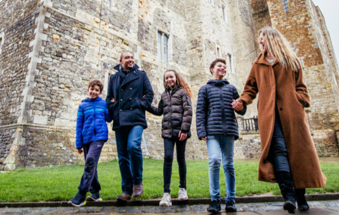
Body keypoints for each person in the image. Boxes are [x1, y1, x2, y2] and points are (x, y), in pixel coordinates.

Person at [233, 26, 327, 214]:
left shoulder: (291, 61)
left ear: (273, 38)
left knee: (296, 154)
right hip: (269, 116)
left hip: (292, 115)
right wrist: (242, 101)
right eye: (259, 38)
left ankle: (301, 197)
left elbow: (302, 88)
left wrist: (298, 99)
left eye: (263, 38)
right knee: (278, 151)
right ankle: (289, 197)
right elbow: (250, 89)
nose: (260, 41)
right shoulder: (257, 64)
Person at [196, 58, 247, 213]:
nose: (223, 69)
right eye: (220, 66)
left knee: (229, 165)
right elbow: (200, 111)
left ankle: (231, 200)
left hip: (229, 131)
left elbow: (242, 110)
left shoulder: (231, 88)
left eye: (225, 67)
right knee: (214, 161)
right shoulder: (204, 89)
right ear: (212, 69)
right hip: (212, 132)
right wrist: (201, 131)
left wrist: (240, 106)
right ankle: (215, 200)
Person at [106, 52, 154, 202]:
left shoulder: (141, 75)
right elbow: (109, 98)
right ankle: (126, 189)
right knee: (122, 157)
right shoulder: (113, 78)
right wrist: (114, 107)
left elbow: (150, 93)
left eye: (132, 58)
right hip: (120, 119)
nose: (131, 60)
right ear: (120, 61)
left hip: (136, 118)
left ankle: (138, 181)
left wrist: (141, 105)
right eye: (127, 58)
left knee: (133, 146)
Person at [147, 69, 193, 206]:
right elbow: (159, 111)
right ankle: (166, 193)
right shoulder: (164, 95)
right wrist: (146, 106)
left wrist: (184, 129)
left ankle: (182, 189)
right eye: (166, 78)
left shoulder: (183, 93)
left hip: (180, 132)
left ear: (176, 78)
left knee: (180, 159)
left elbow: (188, 111)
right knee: (167, 158)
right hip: (168, 132)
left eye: (171, 77)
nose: (169, 80)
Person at [68, 80, 112, 207]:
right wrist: (78, 144)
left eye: (97, 90)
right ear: (88, 89)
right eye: (92, 89)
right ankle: (96, 194)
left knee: (90, 160)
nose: (94, 92)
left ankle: (81, 194)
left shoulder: (103, 104)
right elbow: (79, 125)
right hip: (86, 138)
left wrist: (112, 105)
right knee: (92, 166)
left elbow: (109, 118)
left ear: (100, 92)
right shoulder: (83, 105)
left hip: (99, 137)